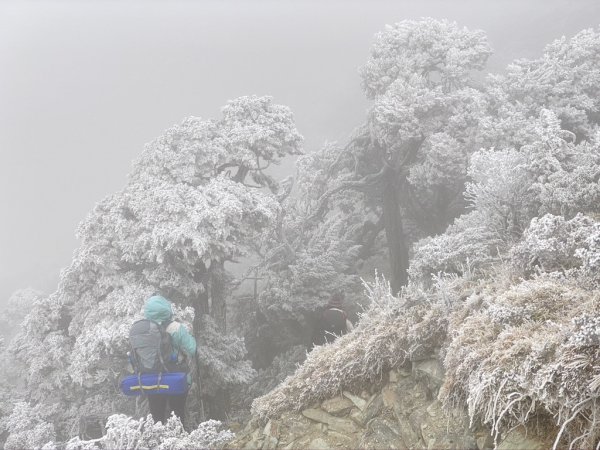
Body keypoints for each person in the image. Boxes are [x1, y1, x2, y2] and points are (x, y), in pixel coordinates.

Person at [142, 295, 197, 426]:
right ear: (167, 310)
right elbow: (192, 349)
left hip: (151, 379)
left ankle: (157, 441)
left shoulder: (143, 329)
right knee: (177, 415)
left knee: (156, 417)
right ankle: (178, 440)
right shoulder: (176, 328)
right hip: (175, 377)